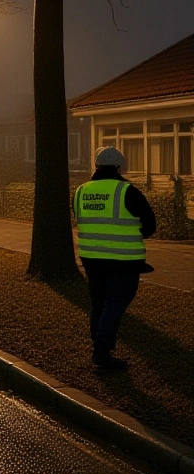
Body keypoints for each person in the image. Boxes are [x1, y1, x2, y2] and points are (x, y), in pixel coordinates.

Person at [72, 146, 156, 370]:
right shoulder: (128, 191)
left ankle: (98, 346)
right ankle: (102, 350)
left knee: (98, 302)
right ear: (119, 167)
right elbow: (150, 225)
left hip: (91, 258)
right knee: (116, 302)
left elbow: (80, 218)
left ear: (96, 166)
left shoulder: (81, 191)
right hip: (123, 260)